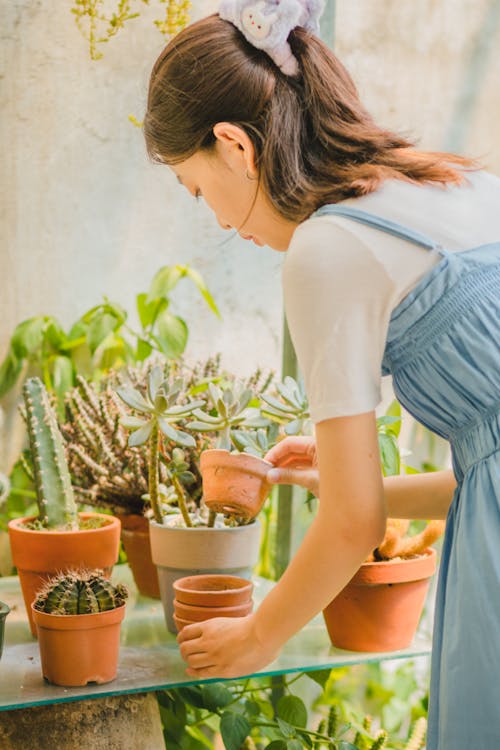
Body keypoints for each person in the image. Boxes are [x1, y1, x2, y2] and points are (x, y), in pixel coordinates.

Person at [143, 3, 500, 748]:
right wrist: (334, 481)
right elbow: (486, 474)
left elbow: (354, 525)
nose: (218, 221)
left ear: (235, 145)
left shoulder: (327, 250)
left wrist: (256, 638)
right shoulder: (462, 187)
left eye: (196, 188)